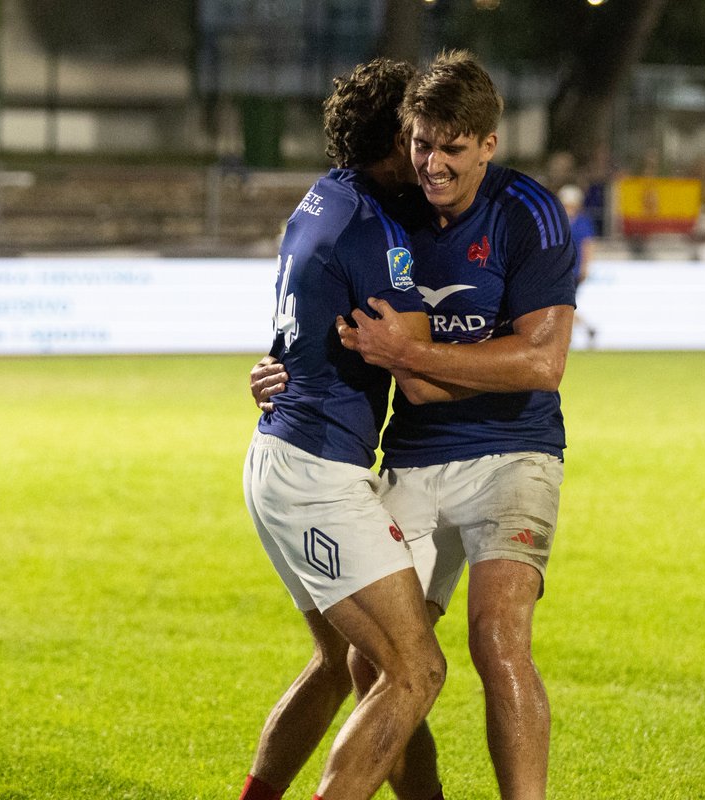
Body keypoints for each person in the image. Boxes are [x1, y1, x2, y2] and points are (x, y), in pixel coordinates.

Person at [254, 49, 577, 800]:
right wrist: (283, 367)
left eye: (451, 149)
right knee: (381, 666)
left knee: (496, 641)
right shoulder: (390, 212)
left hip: (513, 456)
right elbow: (334, 308)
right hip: (411, 456)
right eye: (420, 143)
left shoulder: (527, 213)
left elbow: (544, 364)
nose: (431, 164)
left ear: (488, 145)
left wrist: (408, 353)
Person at [240, 58, 457, 800]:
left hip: (279, 454)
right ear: (395, 135)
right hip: (316, 473)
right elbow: (421, 373)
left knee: (341, 667)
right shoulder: (375, 229)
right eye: (420, 133)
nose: (431, 148)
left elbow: (299, 328)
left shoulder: (322, 199)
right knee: (415, 669)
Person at [558, 183, 598, 348]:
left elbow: (588, 245)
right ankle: (585, 330)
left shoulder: (582, 222)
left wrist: (585, 267)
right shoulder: (559, 220)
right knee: (563, 305)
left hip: (572, 271)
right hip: (559, 270)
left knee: (563, 305)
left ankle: (572, 336)